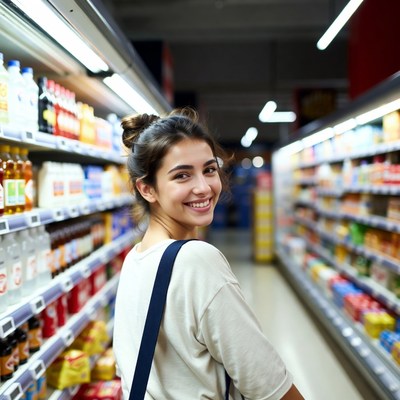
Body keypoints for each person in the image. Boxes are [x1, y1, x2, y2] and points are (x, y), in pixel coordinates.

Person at [113, 107, 304, 399]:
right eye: (182, 176)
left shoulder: (136, 258)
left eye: (209, 169)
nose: (203, 188)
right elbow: (269, 385)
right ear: (147, 189)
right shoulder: (196, 260)